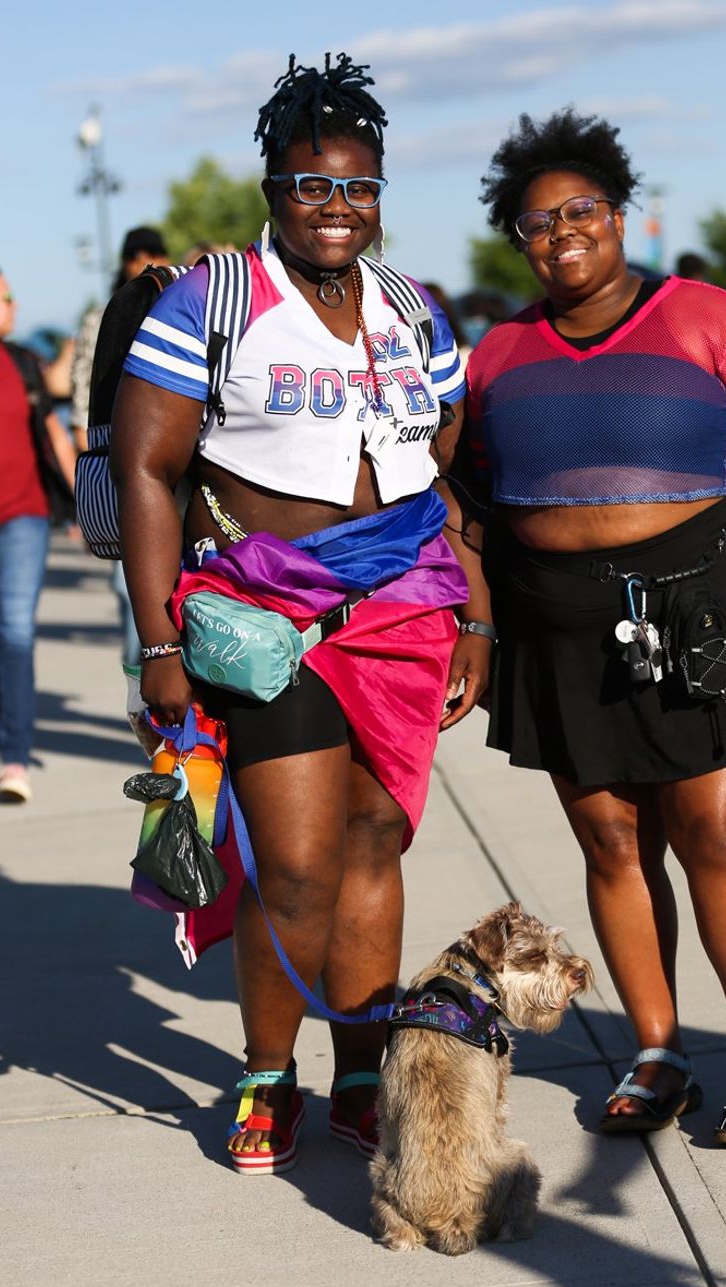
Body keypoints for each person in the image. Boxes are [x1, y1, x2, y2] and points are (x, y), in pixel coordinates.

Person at [111, 52, 490, 1174]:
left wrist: (471, 612)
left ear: (380, 194)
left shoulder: (412, 308)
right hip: (263, 616)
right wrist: (159, 641)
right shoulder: (217, 296)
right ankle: (266, 1069)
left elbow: (446, 462)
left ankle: (360, 1072)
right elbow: (145, 467)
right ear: (273, 188)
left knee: (377, 834)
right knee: (294, 861)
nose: (337, 207)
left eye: (358, 187)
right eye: (312, 184)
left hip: (404, 607)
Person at [450, 109, 726, 1146]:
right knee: (612, 837)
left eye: (581, 211)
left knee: (713, 831)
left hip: (705, 599)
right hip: (559, 620)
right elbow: (464, 500)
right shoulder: (496, 351)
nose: (561, 232)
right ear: (515, 240)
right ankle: (658, 1050)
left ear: (621, 216)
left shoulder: (710, 315)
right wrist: (475, 623)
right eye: (536, 222)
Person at [0, 265, 77, 801]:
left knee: (14, 632)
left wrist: (91, 508)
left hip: (22, 517)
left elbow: (54, 433)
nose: (14, 307)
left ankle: (13, 758)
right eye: (6, 297)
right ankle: (7, 735)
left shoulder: (24, 363)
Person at [70, 227, 172, 667]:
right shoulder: (105, 317)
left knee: (137, 588)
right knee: (131, 585)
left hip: (138, 458)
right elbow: (84, 399)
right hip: (117, 457)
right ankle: (143, 675)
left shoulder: (169, 302)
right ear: (136, 258)